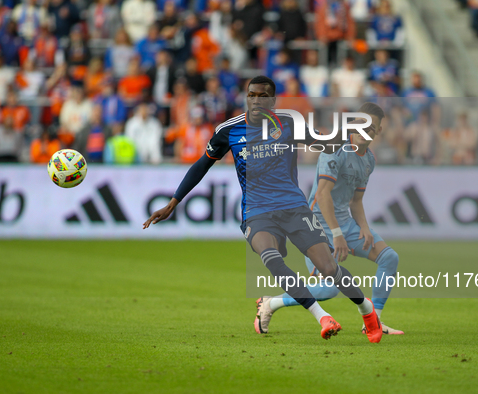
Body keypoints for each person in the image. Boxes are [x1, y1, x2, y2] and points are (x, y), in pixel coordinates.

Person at [144, 76, 383, 342]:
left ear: (273, 100)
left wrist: (349, 134)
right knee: (272, 258)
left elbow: (321, 142)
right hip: (256, 212)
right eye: (252, 95)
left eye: (263, 96)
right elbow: (202, 165)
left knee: (328, 268)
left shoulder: (289, 122)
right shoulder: (229, 130)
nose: (257, 101)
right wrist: (174, 201)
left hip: (294, 207)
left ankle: (367, 310)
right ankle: (322, 317)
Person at [255, 102, 404, 336]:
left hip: (344, 223)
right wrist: (336, 234)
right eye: (363, 125)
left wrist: (363, 227)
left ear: (378, 132)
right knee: (327, 289)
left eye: (373, 128)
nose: (367, 131)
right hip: (317, 227)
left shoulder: (369, 160)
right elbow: (323, 194)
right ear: (354, 124)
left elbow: (356, 201)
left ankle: (372, 322)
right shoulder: (334, 149)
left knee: (389, 258)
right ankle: (270, 303)